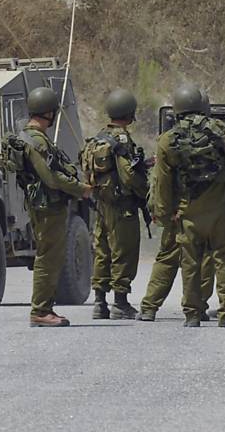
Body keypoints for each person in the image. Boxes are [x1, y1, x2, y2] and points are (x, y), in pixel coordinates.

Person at [151, 83, 225, 327]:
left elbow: (162, 182)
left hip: (188, 212)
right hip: (221, 209)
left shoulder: (167, 139)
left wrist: (164, 214)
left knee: (190, 262)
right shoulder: (220, 129)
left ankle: (192, 314)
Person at [22, 87, 93, 328]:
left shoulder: (27, 136)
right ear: (48, 113)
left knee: (50, 255)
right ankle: (41, 310)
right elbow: (51, 178)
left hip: (42, 205)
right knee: (48, 257)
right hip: (47, 207)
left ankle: (45, 308)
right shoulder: (37, 141)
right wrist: (80, 188)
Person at [80, 89, 149, 320]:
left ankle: (100, 303)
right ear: (129, 113)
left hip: (101, 204)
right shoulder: (122, 140)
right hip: (122, 206)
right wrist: (145, 191)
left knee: (102, 251)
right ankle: (120, 301)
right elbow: (128, 176)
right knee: (124, 251)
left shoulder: (97, 138)